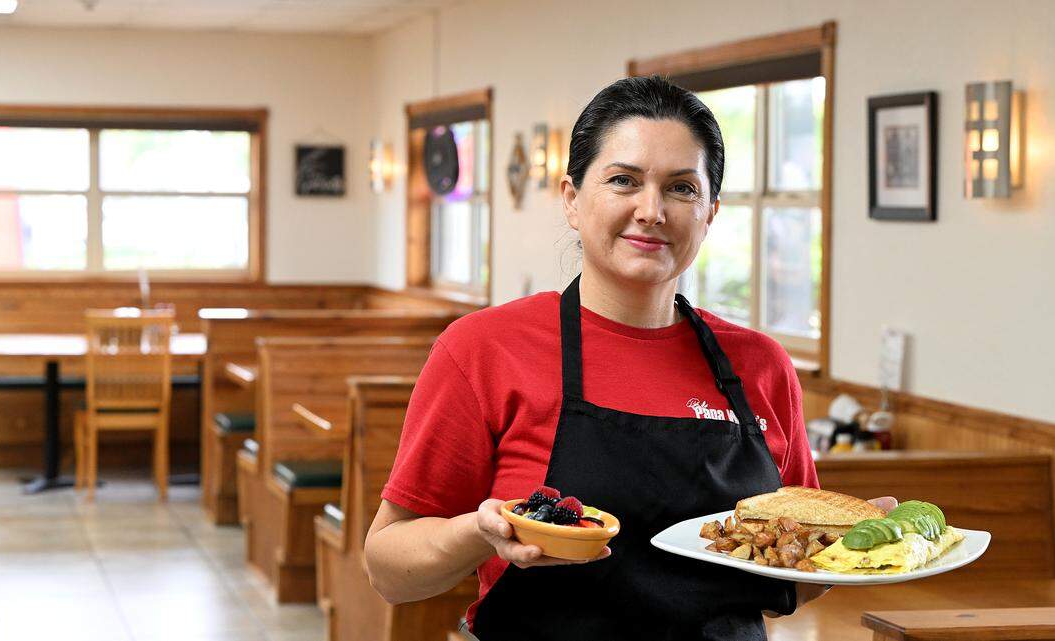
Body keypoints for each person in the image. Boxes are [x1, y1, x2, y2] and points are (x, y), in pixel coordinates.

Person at [365, 75, 893, 640]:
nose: (652, 210)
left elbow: (790, 576)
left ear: (710, 212)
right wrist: (480, 532)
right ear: (572, 199)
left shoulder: (761, 366)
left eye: (682, 188)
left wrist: (865, 545)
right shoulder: (483, 350)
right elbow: (389, 569)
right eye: (623, 180)